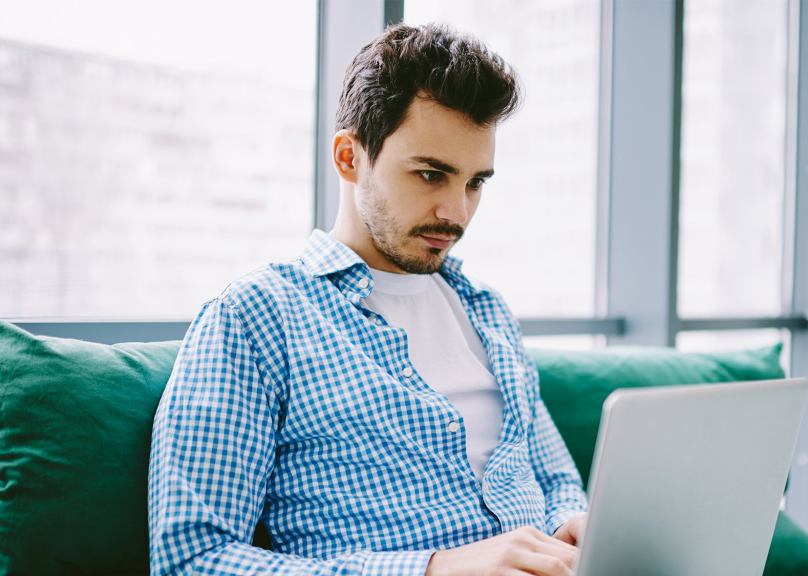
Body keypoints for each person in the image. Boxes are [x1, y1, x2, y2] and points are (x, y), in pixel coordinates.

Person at [148, 22, 589, 576]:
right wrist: (431, 571)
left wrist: (571, 522)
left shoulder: (488, 311)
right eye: (431, 175)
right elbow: (191, 561)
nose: (457, 212)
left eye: (476, 182)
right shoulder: (257, 317)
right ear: (349, 157)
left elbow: (554, 479)